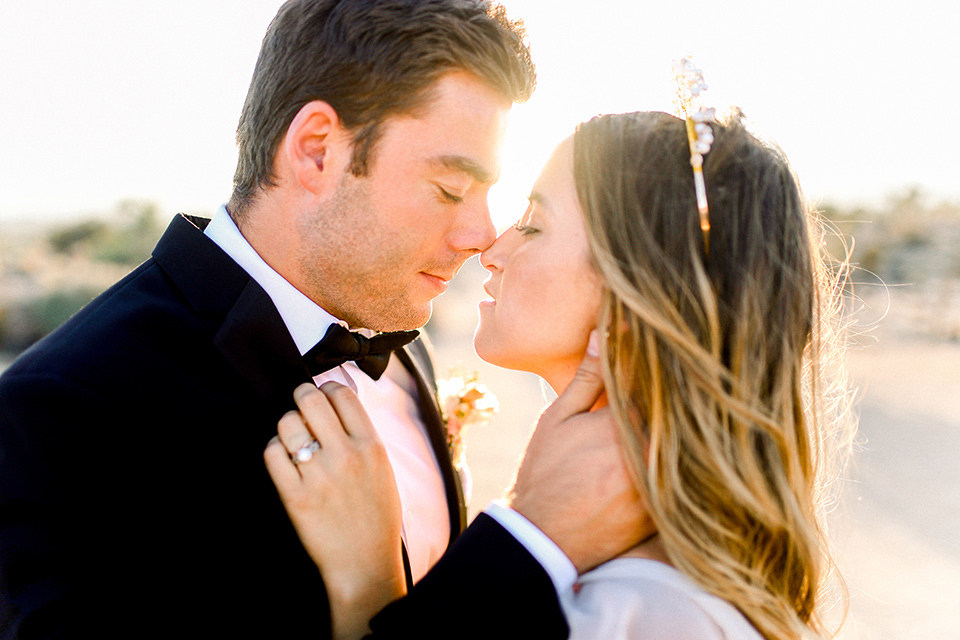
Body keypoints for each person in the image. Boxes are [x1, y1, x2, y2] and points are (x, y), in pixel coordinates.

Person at [0, 1, 647, 637]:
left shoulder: (398, 339)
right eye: (450, 190)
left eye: (488, 195)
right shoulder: (53, 419)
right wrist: (527, 544)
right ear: (316, 150)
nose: (482, 234)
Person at [266, 107, 855, 639]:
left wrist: (369, 593)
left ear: (637, 297)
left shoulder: (646, 616)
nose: (490, 250)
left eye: (534, 224)